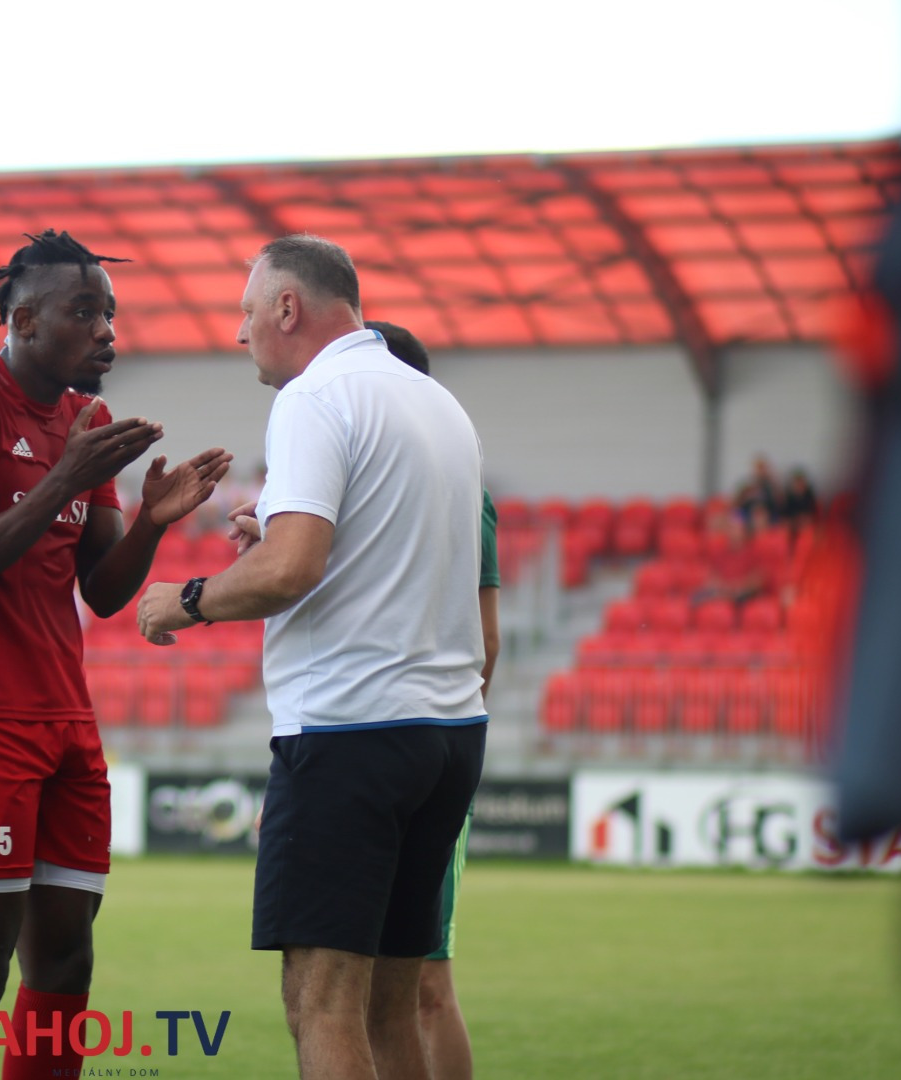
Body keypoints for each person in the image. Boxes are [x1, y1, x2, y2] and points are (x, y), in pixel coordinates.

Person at [138, 235, 487, 1080]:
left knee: (322, 1001)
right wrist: (272, 533)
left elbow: (292, 570)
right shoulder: (436, 401)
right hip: (448, 731)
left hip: (351, 731)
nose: (240, 332)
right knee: (393, 1007)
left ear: (288, 308)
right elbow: (386, 548)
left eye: (247, 311)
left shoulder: (314, 397)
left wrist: (185, 600)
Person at [0, 229, 230, 1080]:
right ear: (22, 320)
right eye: (83, 312)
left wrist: (153, 521)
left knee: (66, 961)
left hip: (64, 715)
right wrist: (62, 480)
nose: (106, 331)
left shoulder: (86, 423)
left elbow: (104, 590)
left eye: (109, 313)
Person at [367, 320, 500, 1080]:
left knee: (423, 982)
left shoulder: (457, 487)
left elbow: (487, 639)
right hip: (376, 749)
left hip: (427, 743)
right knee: (366, 981)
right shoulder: (384, 483)